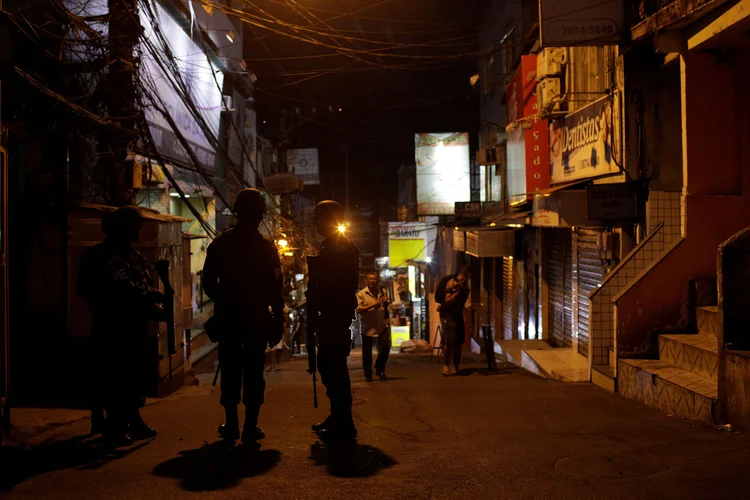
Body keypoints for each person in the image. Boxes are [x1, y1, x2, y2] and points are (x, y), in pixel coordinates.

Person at [202, 188, 284, 445]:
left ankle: (232, 425)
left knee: (231, 370)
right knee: (253, 371)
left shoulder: (220, 244)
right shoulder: (267, 249)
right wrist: (277, 320)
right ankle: (250, 426)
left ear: (237, 213)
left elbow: (208, 283)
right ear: (260, 215)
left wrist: (226, 301)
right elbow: (276, 289)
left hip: (229, 318)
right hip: (256, 319)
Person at [77, 206, 164, 447]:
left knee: (132, 378)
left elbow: (142, 286)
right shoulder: (99, 256)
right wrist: (138, 296)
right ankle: (113, 426)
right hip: (110, 326)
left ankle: (133, 421)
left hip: (135, 328)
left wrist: (154, 307)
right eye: (134, 226)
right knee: (113, 377)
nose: (138, 231)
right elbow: (89, 289)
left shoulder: (134, 256)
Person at [307, 200, 360, 441]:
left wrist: (318, 298)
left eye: (318, 217)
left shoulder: (341, 247)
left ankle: (344, 420)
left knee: (334, 367)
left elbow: (335, 283)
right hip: (330, 313)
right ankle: (338, 416)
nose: (315, 223)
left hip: (335, 314)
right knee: (327, 366)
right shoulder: (331, 246)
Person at [356, 272, 391, 381]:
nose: (372, 281)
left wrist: (386, 303)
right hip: (368, 327)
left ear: (377, 280)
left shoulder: (382, 291)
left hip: (381, 326)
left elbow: (385, 306)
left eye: (374, 279)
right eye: (370, 279)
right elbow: (359, 309)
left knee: (385, 347)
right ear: (366, 281)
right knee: (367, 353)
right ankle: (368, 374)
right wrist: (374, 305)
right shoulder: (361, 294)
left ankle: (380, 369)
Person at [435, 269, 470, 376]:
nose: (461, 281)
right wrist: (449, 291)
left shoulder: (464, 289)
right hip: (447, 315)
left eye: (464, 279)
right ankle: (446, 365)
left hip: (457, 315)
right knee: (450, 341)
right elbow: (438, 297)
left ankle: (455, 366)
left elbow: (461, 303)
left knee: (458, 342)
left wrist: (460, 291)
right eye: (461, 278)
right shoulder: (448, 281)